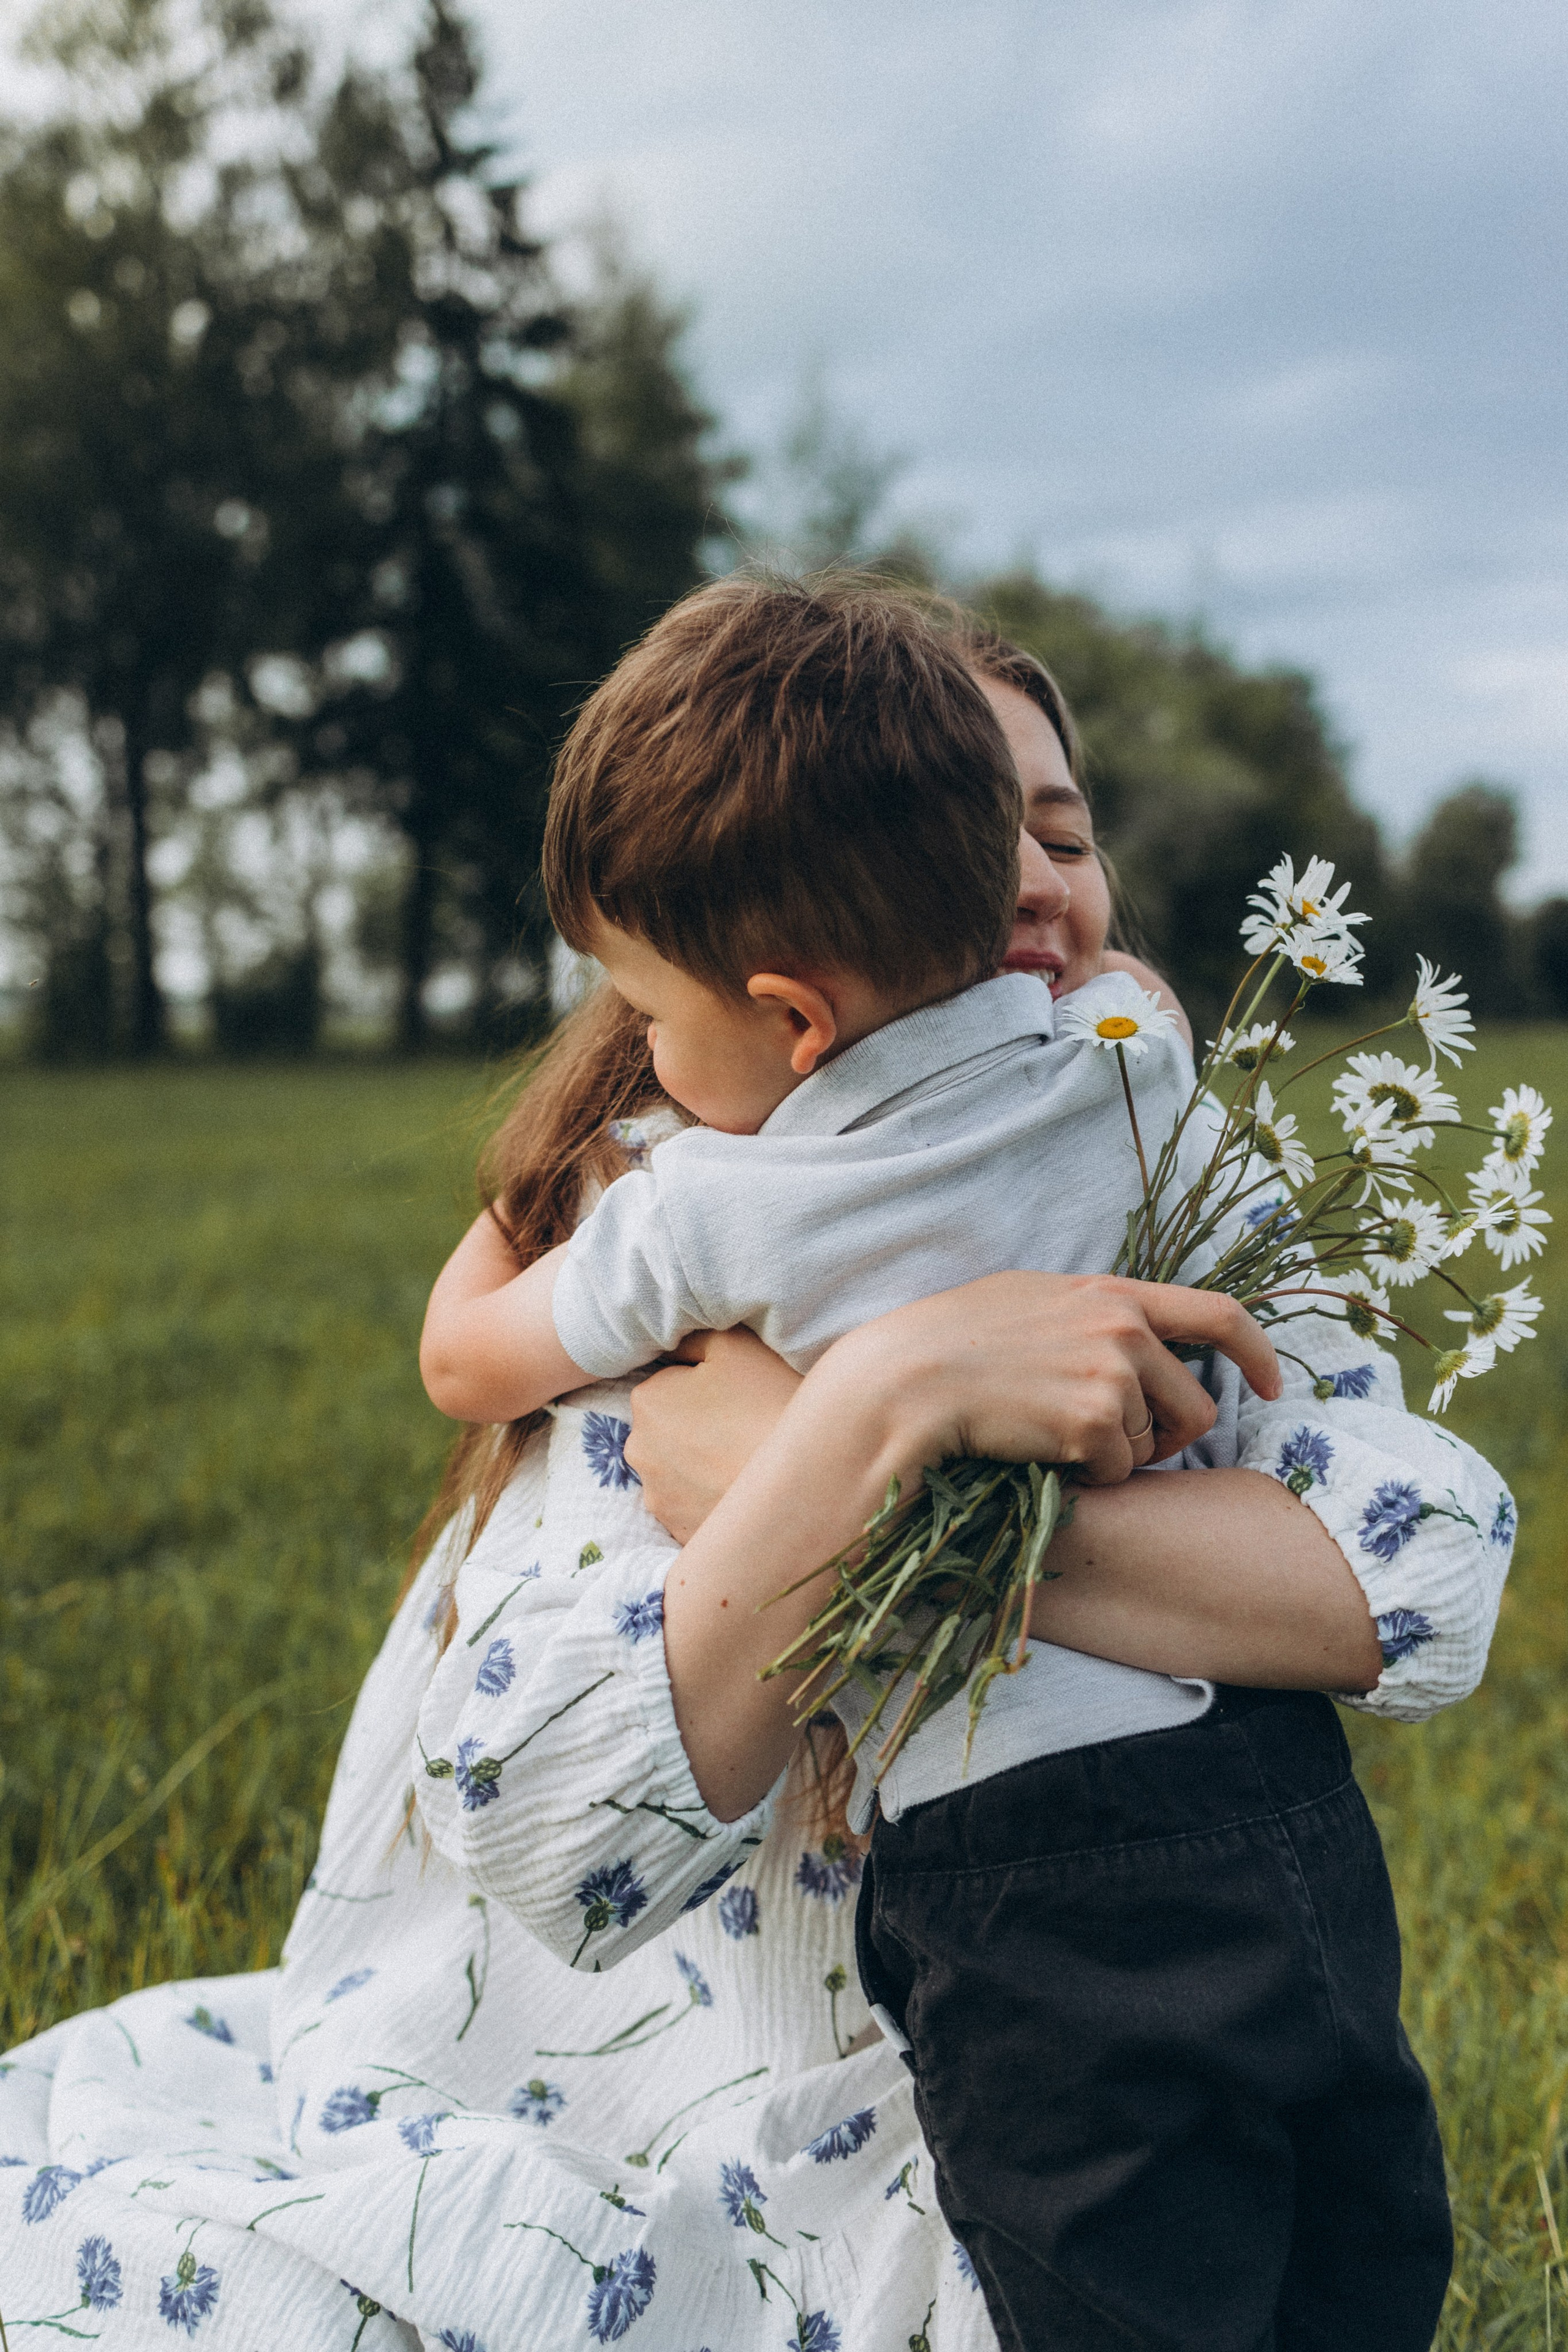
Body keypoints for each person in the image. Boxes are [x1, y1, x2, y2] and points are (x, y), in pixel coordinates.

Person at [0, 611, 1512, 2352]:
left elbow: (1421, 1579)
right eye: (973, 835)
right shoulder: (694, 1246)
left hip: (1108, 2022)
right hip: (679, 2098)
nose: (1030, 885)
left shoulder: (1155, 1170)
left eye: (1066, 834)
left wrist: (857, 1467)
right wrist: (883, 1398)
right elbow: (561, 1835)